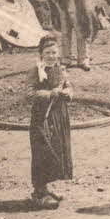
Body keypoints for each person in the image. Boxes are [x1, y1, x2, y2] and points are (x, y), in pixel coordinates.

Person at [29, 34, 73, 209]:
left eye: (54, 52)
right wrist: (49, 94)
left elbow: (68, 85)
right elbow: (29, 93)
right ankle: (39, 192)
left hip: (59, 115)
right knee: (42, 151)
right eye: (48, 52)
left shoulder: (60, 70)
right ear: (41, 54)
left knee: (56, 150)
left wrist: (68, 93)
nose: (51, 56)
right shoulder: (36, 70)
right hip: (42, 117)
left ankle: (47, 188)